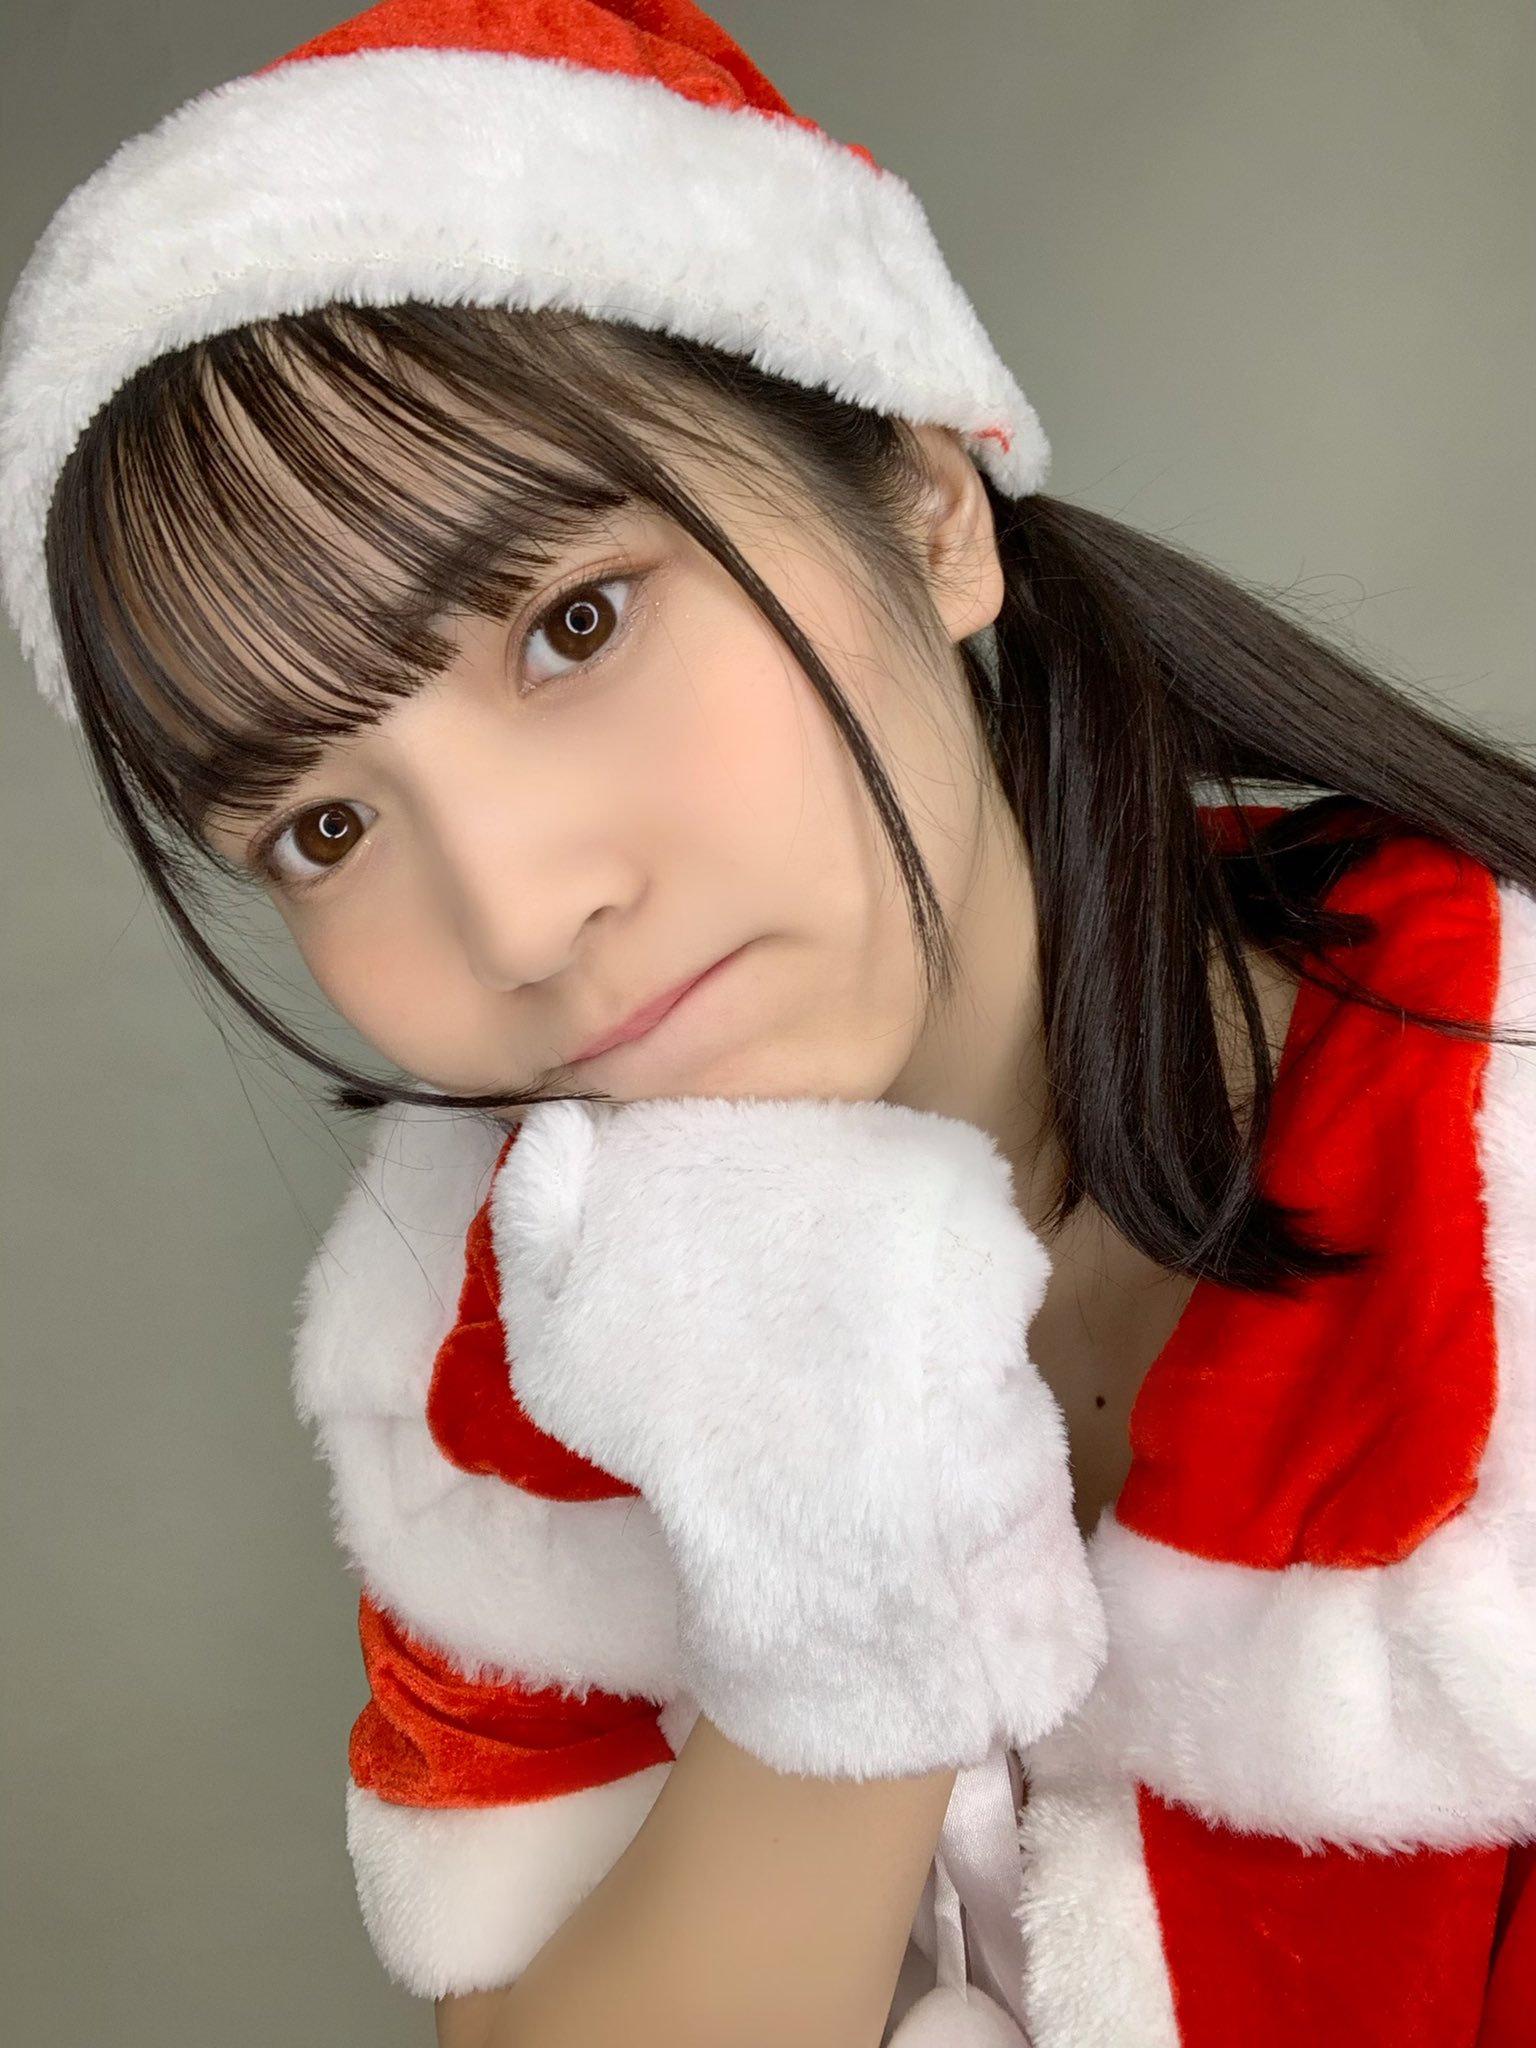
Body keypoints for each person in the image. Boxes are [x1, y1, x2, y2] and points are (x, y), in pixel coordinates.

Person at [1, 2, 1532, 2043]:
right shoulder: (498, 1329)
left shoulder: (1505, 1176)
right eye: (325, 825)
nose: (519, 916)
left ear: (929, 502)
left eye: (574, 624)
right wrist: (855, 1579)